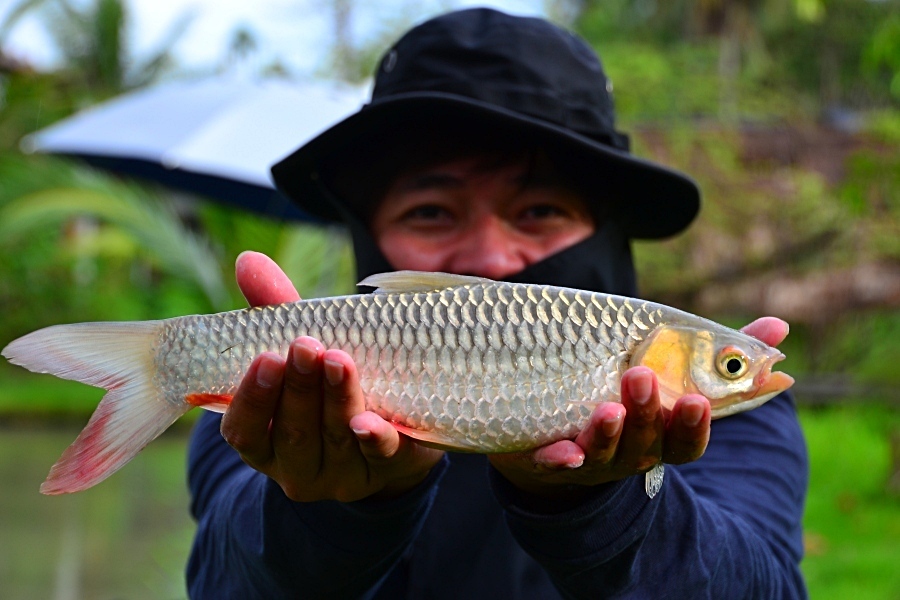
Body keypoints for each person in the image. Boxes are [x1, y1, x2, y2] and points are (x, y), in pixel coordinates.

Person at [186, 9, 808, 599]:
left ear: (607, 231)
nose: (487, 262)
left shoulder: (720, 418)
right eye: (431, 213)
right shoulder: (272, 394)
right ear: (368, 233)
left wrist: (602, 507)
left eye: (538, 212)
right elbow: (219, 583)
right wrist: (333, 510)